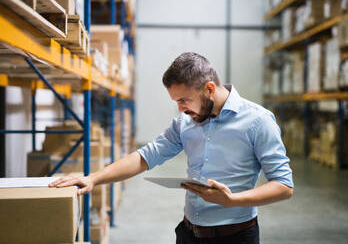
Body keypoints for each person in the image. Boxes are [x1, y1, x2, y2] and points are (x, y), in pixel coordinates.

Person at [49, 52, 293, 244]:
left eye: (184, 100)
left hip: (236, 237)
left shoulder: (258, 121)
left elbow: (283, 186)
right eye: (176, 101)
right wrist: (93, 178)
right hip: (189, 234)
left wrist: (232, 200)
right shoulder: (185, 122)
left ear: (209, 89)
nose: (180, 109)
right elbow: (146, 156)